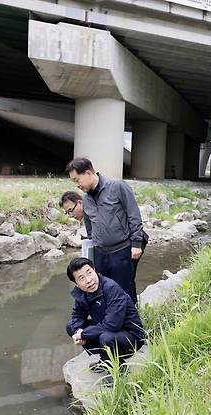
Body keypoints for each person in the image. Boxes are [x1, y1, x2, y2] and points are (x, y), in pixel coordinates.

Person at [66, 157, 147, 304]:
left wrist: (136, 243)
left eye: (77, 180)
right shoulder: (86, 200)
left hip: (122, 249)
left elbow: (133, 215)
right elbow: (90, 228)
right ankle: (110, 323)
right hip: (100, 253)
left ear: (89, 173)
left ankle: (132, 324)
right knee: (103, 291)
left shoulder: (117, 187)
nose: (76, 185)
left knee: (124, 290)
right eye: (73, 182)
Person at [65, 257, 145, 372]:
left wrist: (84, 334)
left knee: (106, 337)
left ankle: (118, 368)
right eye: (81, 278)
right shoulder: (82, 293)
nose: (88, 280)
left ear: (94, 270)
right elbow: (77, 315)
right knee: (71, 326)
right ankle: (106, 359)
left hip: (131, 336)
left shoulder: (111, 288)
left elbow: (112, 325)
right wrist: (77, 332)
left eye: (89, 273)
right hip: (108, 330)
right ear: (76, 284)